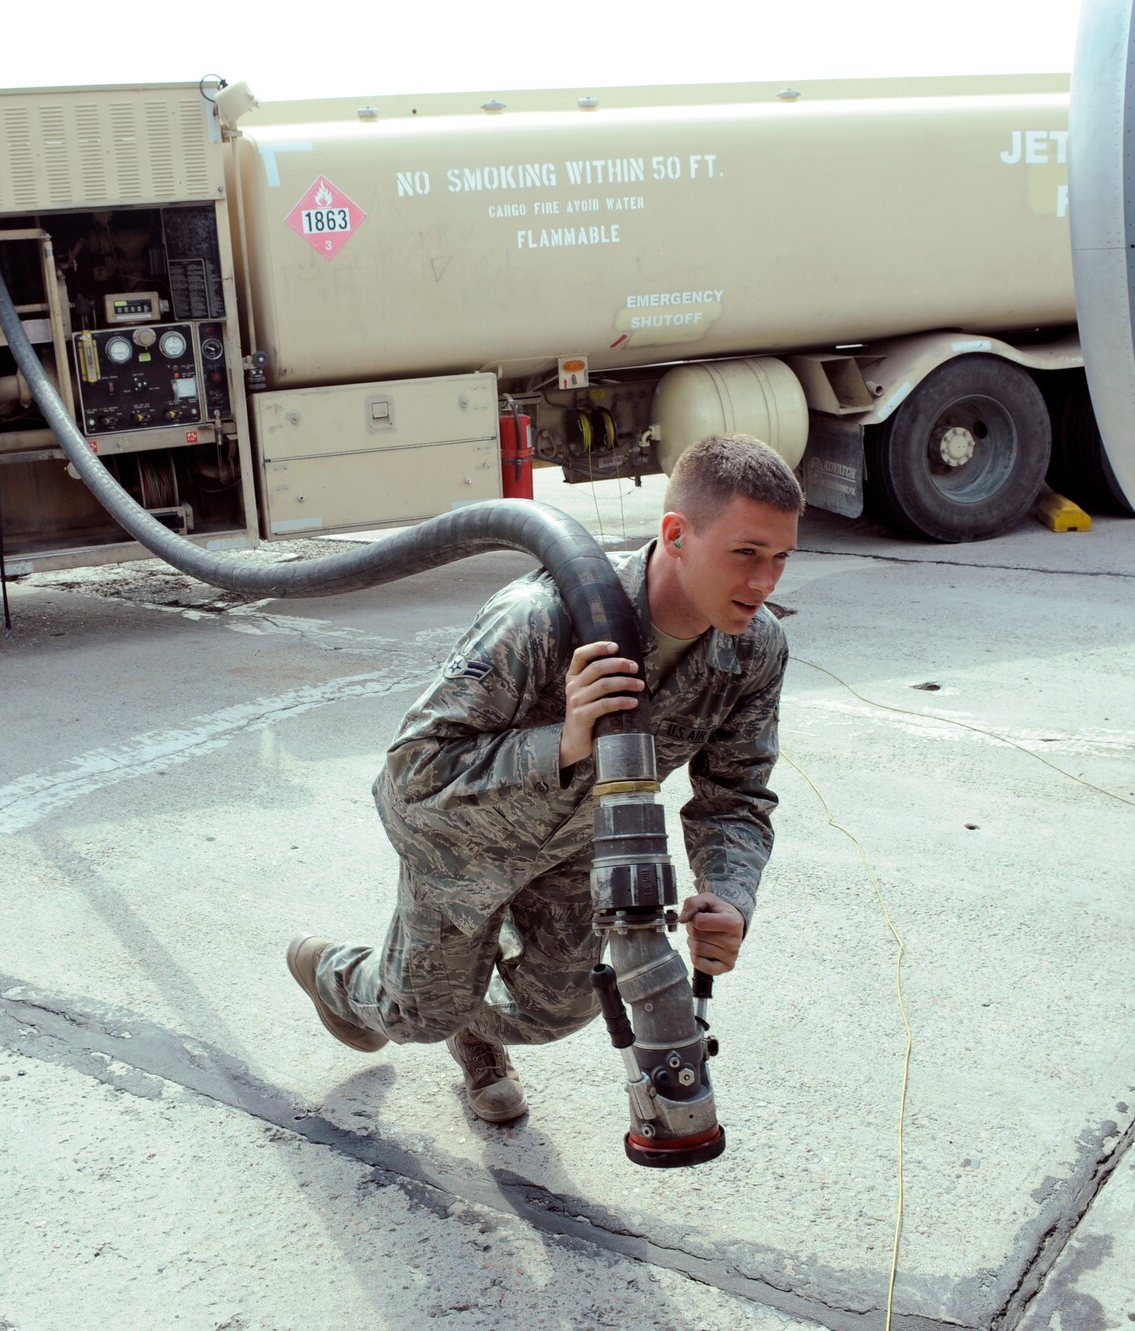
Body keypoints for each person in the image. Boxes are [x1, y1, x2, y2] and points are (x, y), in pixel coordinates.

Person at [287, 432, 803, 1122]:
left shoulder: (755, 648)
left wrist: (730, 895)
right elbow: (407, 782)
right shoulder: (540, 621)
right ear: (675, 534)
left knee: (559, 1007)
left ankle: (475, 1031)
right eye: (746, 554)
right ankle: (336, 972)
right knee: (415, 1013)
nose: (764, 583)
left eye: (779, 559)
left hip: (575, 851)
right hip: (462, 847)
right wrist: (560, 744)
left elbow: (736, 795)